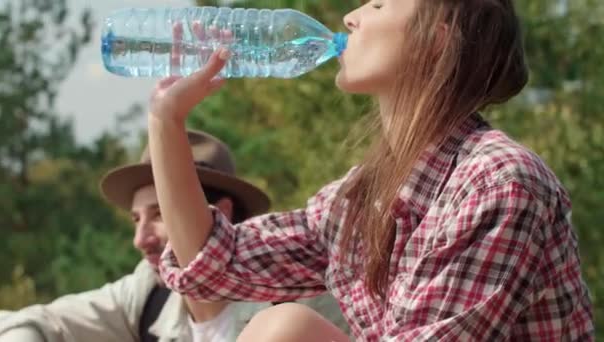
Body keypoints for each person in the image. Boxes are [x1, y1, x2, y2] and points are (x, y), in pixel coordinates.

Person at [146, 1, 594, 341]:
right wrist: (166, 121)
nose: (350, 18)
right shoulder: (362, 197)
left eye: (378, 3)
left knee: (285, 331)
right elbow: (214, 263)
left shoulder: (499, 181)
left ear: (435, 40)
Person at [0, 130, 348, 341]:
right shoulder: (149, 294)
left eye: (160, 214)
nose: (141, 238)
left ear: (221, 213)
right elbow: (36, 321)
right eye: (136, 219)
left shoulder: (300, 297)